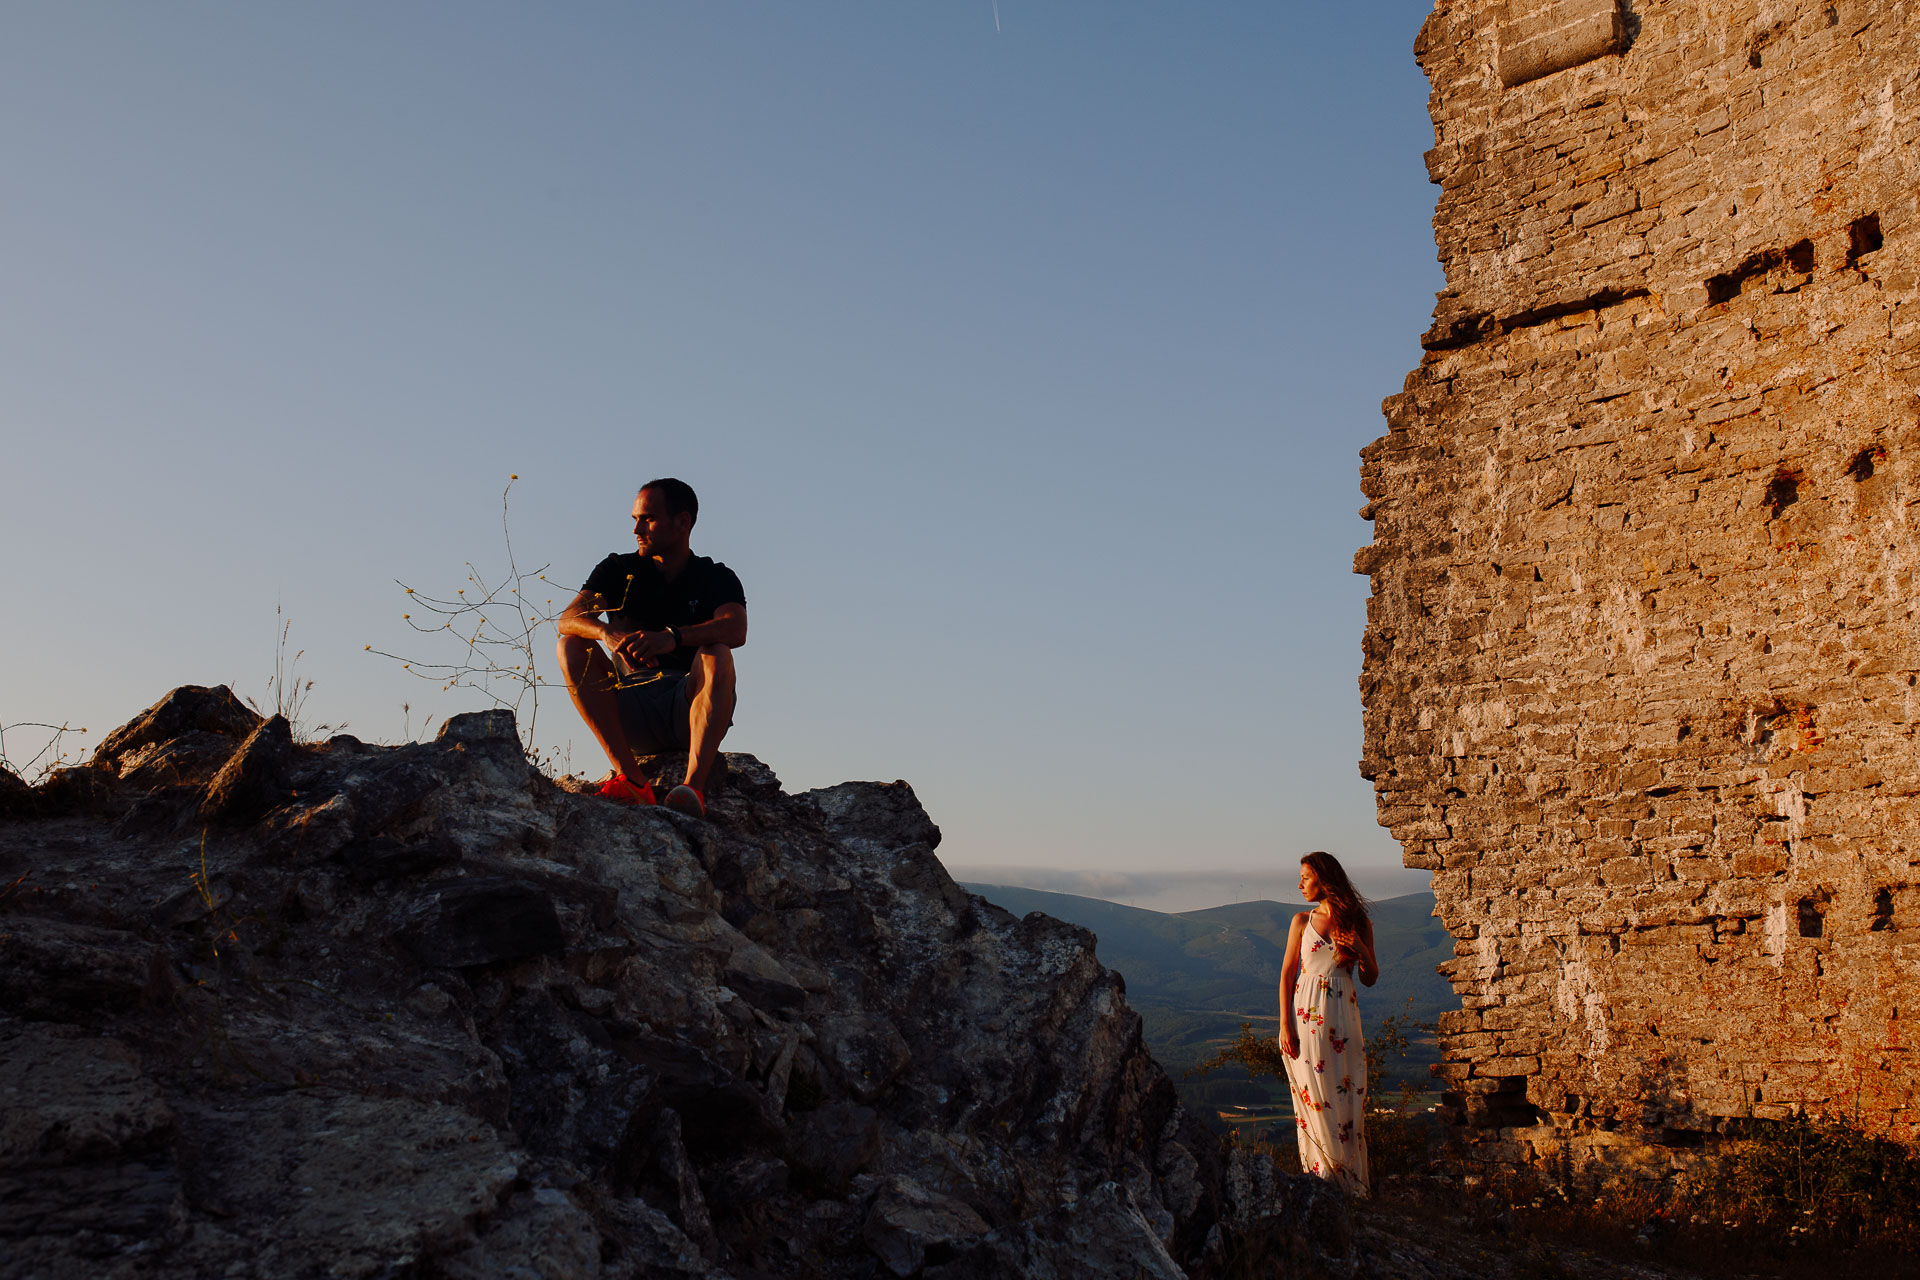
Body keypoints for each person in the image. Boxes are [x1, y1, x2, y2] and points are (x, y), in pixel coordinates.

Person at [555, 478, 746, 818]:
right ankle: (631, 779)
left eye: (648, 518)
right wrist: (606, 634)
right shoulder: (618, 570)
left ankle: (692, 789)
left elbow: (736, 628)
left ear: (682, 522)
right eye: (635, 519)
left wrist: (673, 637)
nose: (636, 529)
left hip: (688, 707)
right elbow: (568, 618)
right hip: (630, 705)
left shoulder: (715, 576)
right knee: (570, 646)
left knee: (718, 652)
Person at [1279, 851, 1379, 1195]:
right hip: (1304, 1019)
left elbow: (1371, 978)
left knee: (1347, 1098)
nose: (1300, 884)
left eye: (1305, 877)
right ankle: (1321, 1181)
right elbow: (1287, 976)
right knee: (1312, 1100)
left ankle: (1350, 1185)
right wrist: (1285, 1026)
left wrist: (1361, 950)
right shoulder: (1300, 922)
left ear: (1324, 878)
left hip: (1343, 1018)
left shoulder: (1357, 921)